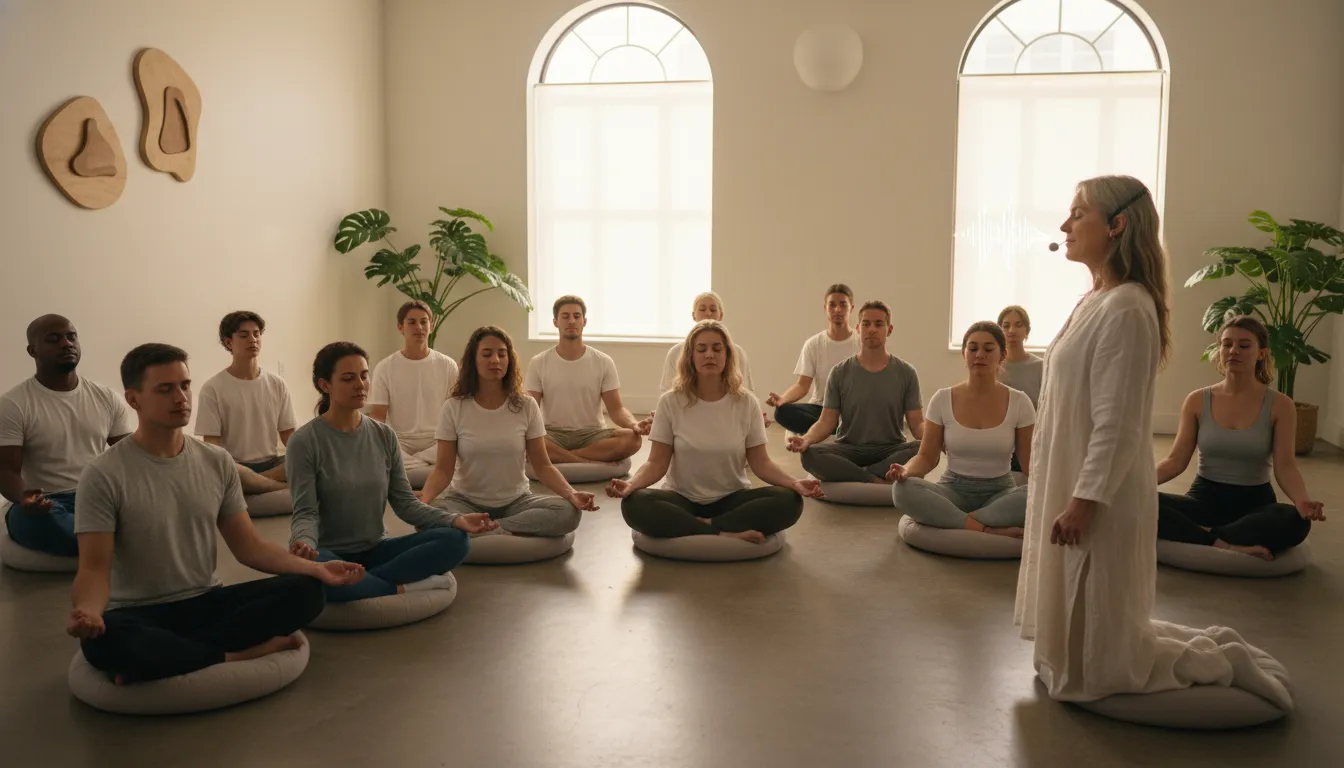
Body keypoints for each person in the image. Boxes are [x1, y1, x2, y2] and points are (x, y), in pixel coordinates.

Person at [1014, 175, 1292, 710]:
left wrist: (1084, 501)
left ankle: (1222, 660)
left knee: (1108, 662)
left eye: (1078, 214)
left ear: (1116, 225)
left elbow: (1116, 422)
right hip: (1075, 481)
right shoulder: (1096, 299)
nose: (1065, 225)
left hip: (1102, 497)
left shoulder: (1128, 307)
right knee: (1079, 643)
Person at [68, 343, 365, 685]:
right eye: (165, 389)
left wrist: (318, 569)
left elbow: (249, 548)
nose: (181, 397)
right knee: (104, 642)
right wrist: (89, 612)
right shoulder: (103, 473)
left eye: (184, 385)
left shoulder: (216, 462)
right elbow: (93, 568)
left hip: (206, 601)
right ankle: (235, 654)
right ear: (133, 399)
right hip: (138, 613)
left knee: (308, 591)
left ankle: (174, 658)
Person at [287, 342, 495, 602]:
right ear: (325, 385)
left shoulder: (383, 435)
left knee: (456, 540)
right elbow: (305, 512)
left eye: (364, 375)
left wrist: (455, 520)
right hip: (328, 552)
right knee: (311, 574)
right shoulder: (304, 442)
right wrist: (304, 543)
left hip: (377, 548)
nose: (360, 384)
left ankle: (360, 582)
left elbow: (406, 504)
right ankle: (397, 588)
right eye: (348, 378)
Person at [607, 320, 818, 543]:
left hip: (732, 499)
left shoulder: (747, 403)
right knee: (635, 504)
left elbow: (761, 463)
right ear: (691, 356)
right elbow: (656, 463)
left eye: (717, 349)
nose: (710, 355)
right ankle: (724, 532)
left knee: (789, 501)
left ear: (727, 356)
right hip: (682, 499)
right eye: (702, 349)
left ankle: (702, 526)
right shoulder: (670, 402)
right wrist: (632, 485)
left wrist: (794, 483)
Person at [1155, 315, 1323, 560]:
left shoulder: (1280, 405)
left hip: (1255, 504)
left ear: (1261, 353)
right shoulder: (1196, 400)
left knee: (1295, 520)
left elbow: (1285, 466)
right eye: (1226, 344)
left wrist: (1303, 501)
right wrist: (1140, 485)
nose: (1233, 351)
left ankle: (1202, 536)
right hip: (1203, 500)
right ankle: (1222, 542)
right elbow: (1175, 461)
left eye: (1244, 345)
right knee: (1143, 503)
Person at [420, 326, 597, 536]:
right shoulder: (454, 408)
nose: (495, 360)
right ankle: (487, 526)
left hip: (517, 501)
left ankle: (494, 528)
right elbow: (443, 470)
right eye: (487, 354)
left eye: (501, 354)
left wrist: (572, 494)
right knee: (427, 518)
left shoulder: (526, 406)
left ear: (509, 360)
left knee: (567, 512)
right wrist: (424, 500)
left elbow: (542, 465)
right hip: (465, 502)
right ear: (473, 361)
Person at [1, 315, 132, 557]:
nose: (66, 344)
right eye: (54, 339)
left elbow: (130, 457)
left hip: (97, 497)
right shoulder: (13, 404)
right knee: (34, 520)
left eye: (71, 337)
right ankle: (117, 541)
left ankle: (104, 539)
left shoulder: (106, 398)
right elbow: (6, 471)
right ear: (32, 351)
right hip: (47, 504)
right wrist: (25, 498)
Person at [889, 321, 1033, 537]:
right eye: (973, 349)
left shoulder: (1020, 402)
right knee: (902, 490)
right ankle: (984, 526)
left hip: (1001, 493)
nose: (979, 355)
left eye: (988, 349)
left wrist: (1052, 487)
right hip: (952, 490)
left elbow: (1030, 463)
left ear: (1002, 355)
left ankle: (956, 520)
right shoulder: (942, 399)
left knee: (1038, 493)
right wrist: (906, 471)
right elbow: (927, 457)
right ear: (964, 354)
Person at [787, 300, 924, 483]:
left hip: (891, 450)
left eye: (878, 324)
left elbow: (917, 426)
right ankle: (872, 478)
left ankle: (856, 474)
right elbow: (826, 422)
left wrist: (939, 439)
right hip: (849, 449)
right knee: (811, 454)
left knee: (923, 449)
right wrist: (806, 439)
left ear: (889, 330)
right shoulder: (839, 372)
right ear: (858, 329)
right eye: (866, 324)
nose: (872, 329)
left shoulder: (907, 373)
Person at [523, 295, 646, 465]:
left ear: (584, 322)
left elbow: (616, 409)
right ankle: (583, 459)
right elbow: (531, 408)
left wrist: (635, 425)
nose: (571, 321)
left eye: (576, 316)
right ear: (556, 322)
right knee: (523, 440)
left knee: (633, 439)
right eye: (565, 316)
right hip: (553, 433)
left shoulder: (603, 361)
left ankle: (565, 457)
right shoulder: (539, 362)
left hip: (592, 434)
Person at [195, 311, 297, 495]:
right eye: (244, 335)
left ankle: (258, 485)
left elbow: (289, 434)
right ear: (228, 342)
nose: (253, 339)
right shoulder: (213, 388)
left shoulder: (277, 384)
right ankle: (281, 489)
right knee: (221, 472)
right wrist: (234, 471)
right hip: (236, 466)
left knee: (304, 461)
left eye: (256, 334)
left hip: (273, 464)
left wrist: (305, 456)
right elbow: (212, 444)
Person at [641, 291, 765, 431]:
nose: (708, 313)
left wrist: (755, 417)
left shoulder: (737, 353)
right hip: (687, 415)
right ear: (693, 315)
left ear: (721, 315)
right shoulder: (676, 353)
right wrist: (664, 415)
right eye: (702, 309)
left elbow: (746, 391)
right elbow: (668, 392)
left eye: (713, 309)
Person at [368, 300, 460, 472]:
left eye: (424, 322)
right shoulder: (385, 367)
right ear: (400, 328)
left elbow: (455, 411)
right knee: (377, 449)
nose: (419, 327)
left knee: (461, 446)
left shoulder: (447, 365)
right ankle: (427, 469)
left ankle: (412, 468)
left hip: (437, 440)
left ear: (431, 327)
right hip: (400, 441)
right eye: (411, 322)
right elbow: (378, 415)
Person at [765, 284, 859, 436]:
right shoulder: (813, 344)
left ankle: (835, 428)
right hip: (820, 409)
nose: (837, 310)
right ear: (825, 308)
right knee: (782, 412)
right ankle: (833, 429)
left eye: (843, 304)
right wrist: (783, 399)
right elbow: (802, 385)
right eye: (832, 305)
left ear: (851, 308)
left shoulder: (861, 343)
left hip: (852, 412)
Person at [998, 305, 1043, 407]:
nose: (1012, 331)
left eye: (1018, 325)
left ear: (1027, 330)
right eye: (1006, 326)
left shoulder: (1040, 367)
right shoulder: (992, 365)